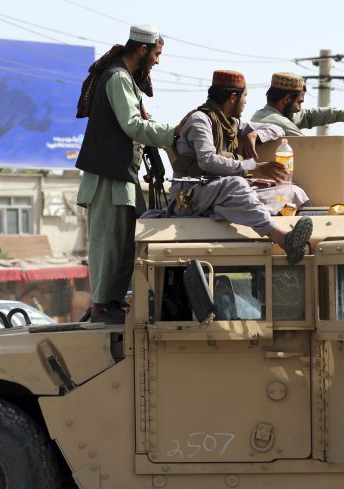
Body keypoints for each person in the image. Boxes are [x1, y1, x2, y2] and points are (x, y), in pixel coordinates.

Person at [75, 24, 184, 325]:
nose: (157, 61)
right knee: (108, 244)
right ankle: (101, 307)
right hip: (106, 177)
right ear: (142, 49)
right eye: (156, 54)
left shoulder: (127, 80)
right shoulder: (118, 78)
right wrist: (174, 133)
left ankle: (111, 303)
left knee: (124, 243)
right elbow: (133, 125)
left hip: (120, 175)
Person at [168, 69, 313, 265]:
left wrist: (255, 135)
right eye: (245, 97)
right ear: (233, 98)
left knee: (292, 191)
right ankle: (283, 239)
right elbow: (207, 161)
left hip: (219, 191)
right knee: (236, 184)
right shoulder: (200, 120)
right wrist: (252, 167)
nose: (245, 103)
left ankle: (308, 245)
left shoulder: (232, 123)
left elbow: (277, 128)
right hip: (192, 193)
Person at [251, 72, 344, 135]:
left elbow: (309, 115)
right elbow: (309, 147)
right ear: (287, 99)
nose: (299, 109)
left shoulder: (268, 114)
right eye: (299, 102)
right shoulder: (280, 123)